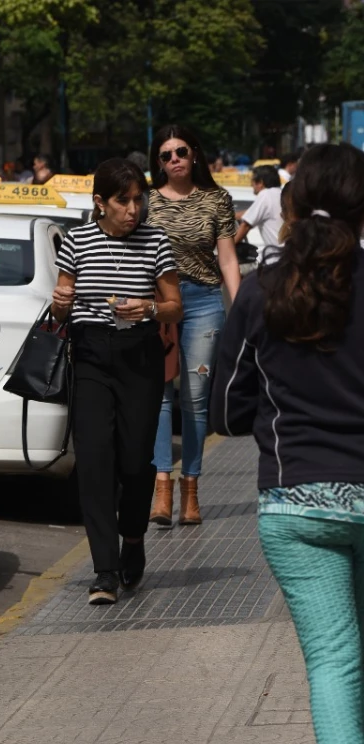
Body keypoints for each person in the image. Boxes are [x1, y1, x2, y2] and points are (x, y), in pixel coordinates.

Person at [211, 142, 364, 744]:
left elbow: (222, 407)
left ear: (290, 206)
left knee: (335, 663)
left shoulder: (262, 293)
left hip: (297, 505)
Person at [50, 158, 183, 604]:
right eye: (123, 201)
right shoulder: (77, 241)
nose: (133, 209)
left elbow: (174, 305)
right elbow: (60, 309)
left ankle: (133, 537)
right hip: (90, 355)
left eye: (138, 199)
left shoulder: (156, 242)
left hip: (139, 354)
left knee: (134, 460)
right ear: (99, 203)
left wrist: (147, 308)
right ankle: (104, 570)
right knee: (94, 460)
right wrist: (61, 302)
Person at [146, 124, 241, 527]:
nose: (174, 160)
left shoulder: (217, 200)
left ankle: (191, 490)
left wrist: (241, 311)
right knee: (159, 396)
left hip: (203, 301)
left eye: (181, 152)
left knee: (196, 401)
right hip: (159, 303)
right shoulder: (146, 201)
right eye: (165, 155)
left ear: (195, 154)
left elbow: (228, 261)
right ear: (158, 163)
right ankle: (162, 488)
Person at [234, 165, 284, 248]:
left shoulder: (265, 195)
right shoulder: (280, 194)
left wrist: (227, 249)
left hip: (278, 256)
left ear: (260, 183)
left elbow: (245, 225)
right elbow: (248, 213)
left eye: (252, 181)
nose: (251, 185)